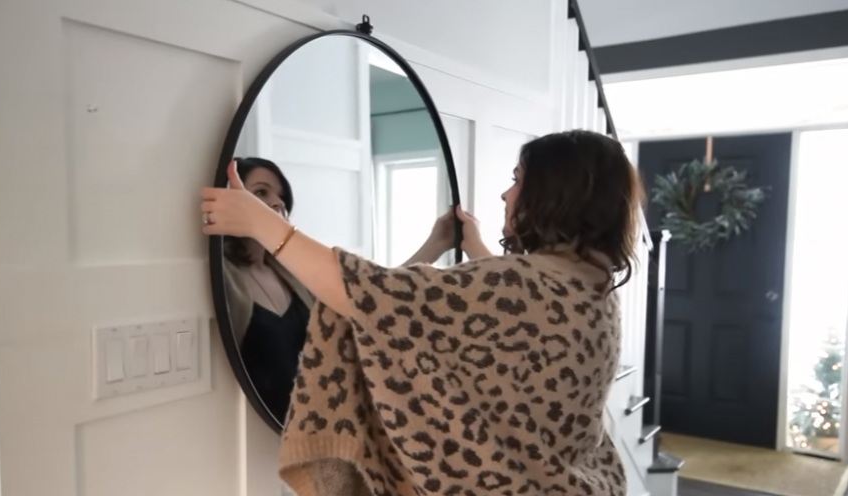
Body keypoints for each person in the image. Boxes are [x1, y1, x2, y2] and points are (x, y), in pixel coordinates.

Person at [203, 130, 643, 496]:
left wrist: (261, 222)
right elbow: (508, 311)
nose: (506, 193)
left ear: (553, 193)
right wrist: (468, 248)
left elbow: (366, 295)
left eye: (517, 179)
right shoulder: (592, 285)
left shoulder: (517, 286)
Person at [222, 158, 314, 424]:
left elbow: (363, 297)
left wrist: (433, 245)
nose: (277, 203)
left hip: (312, 431)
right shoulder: (223, 277)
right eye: (262, 192)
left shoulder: (294, 274)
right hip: (254, 434)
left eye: (281, 196)